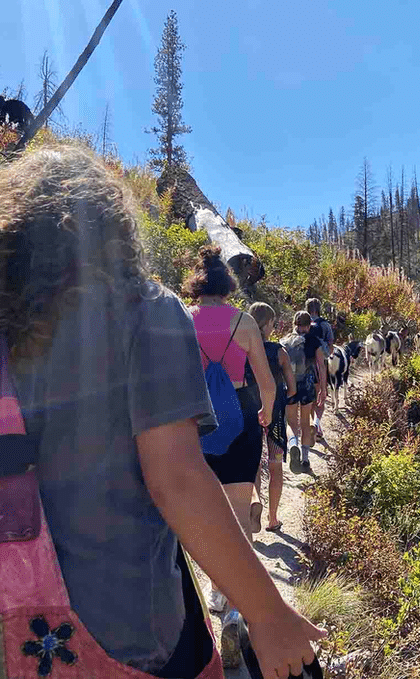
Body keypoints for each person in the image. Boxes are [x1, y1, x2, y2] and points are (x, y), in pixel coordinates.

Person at [0, 145, 323, 679]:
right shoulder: (145, 315)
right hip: (114, 637)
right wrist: (269, 615)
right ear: (112, 232)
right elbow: (175, 477)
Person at [185, 247, 278, 663]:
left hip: (197, 423)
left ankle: (213, 590)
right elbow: (268, 383)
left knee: (205, 512)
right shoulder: (243, 321)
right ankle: (236, 610)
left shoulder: (182, 320)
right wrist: (266, 414)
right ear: (228, 287)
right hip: (240, 416)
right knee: (241, 514)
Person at [245, 302, 296, 532]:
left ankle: (254, 506)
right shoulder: (279, 351)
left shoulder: (242, 349)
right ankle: (272, 518)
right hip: (274, 415)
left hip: (251, 413)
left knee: (253, 465)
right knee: (275, 465)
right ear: (267, 326)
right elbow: (293, 388)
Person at [282, 312, 327, 473]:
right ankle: (306, 459)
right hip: (307, 385)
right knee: (305, 421)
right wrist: (323, 388)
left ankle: (293, 444)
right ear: (309, 326)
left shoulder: (285, 341)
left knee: (291, 423)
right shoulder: (314, 341)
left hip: (290, 384)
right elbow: (321, 366)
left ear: (294, 324)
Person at [305, 298, 334, 442]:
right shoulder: (325, 325)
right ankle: (316, 424)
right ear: (319, 308)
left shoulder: (301, 321)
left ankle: (316, 428)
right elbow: (330, 346)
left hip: (303, 365)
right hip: (319, 364)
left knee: (310, 398)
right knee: (321, 397)